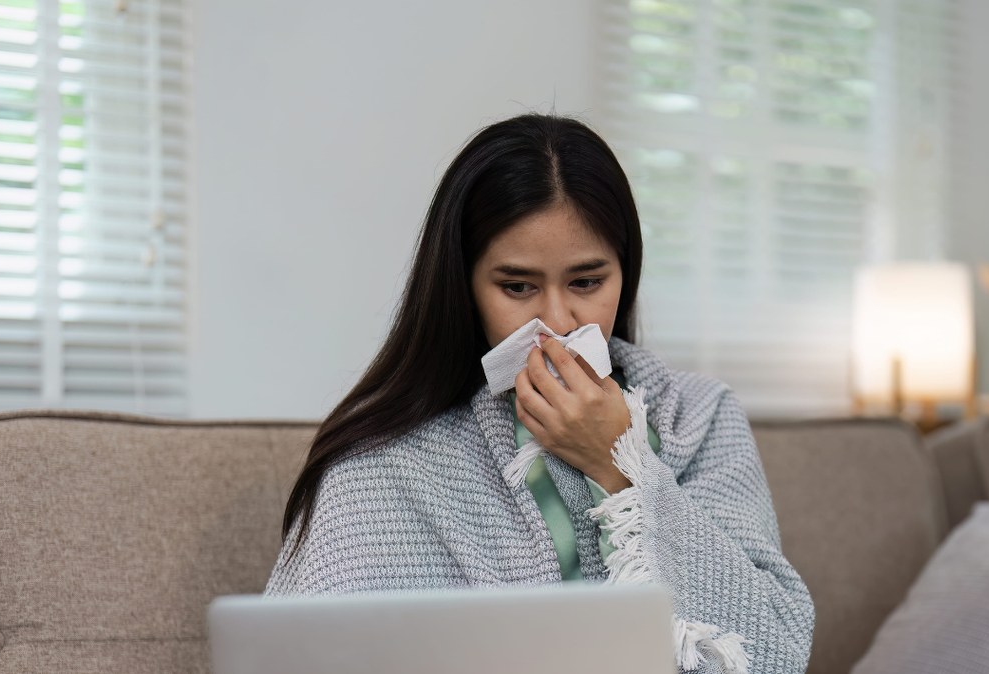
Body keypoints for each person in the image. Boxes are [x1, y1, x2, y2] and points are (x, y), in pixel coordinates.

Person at [264, 113, 815, 674]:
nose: (555, 321)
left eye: (586, 283)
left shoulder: (699, 416)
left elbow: (775, 652)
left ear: (625, 276)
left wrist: (620, 465)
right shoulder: (382, 463)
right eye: (518, 286)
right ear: (464, 285)